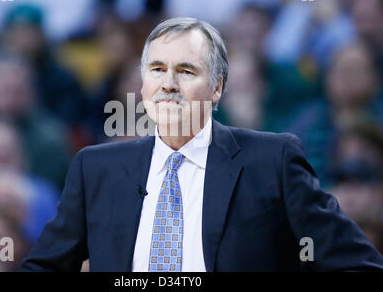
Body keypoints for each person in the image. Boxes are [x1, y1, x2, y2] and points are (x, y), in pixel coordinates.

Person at [20, 18, 383, 272]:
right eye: (157, 69)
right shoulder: (95, 169)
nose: (169, 84)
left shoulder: (273, 161)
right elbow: (43, 266)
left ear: (217, 88)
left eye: (187, 71)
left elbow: (358, 264)